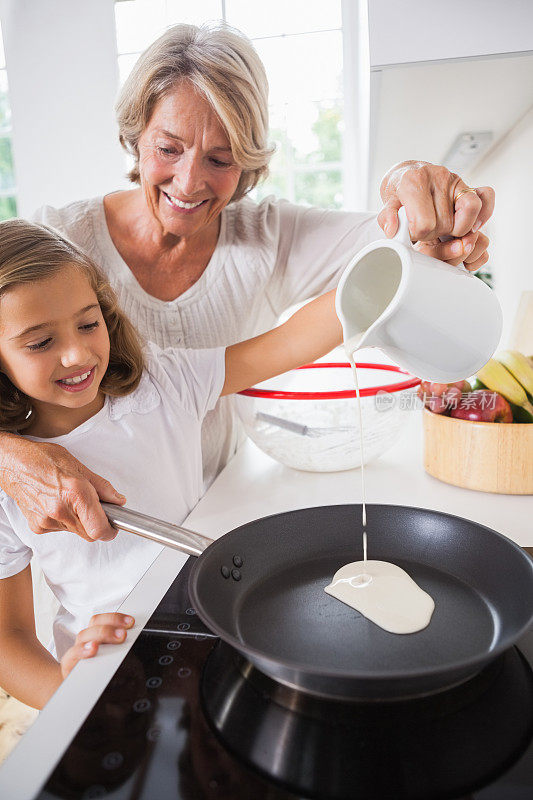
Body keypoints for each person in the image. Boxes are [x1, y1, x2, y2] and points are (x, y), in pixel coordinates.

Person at [0, 23, 494, 543]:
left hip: (212, 518)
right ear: (136, 134)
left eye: (220, 159)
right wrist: (7, 457)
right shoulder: (57, 248)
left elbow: (393, 239)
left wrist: (416, 199)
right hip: (72, 540)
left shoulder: (266, 239)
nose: (189, 183)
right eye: (168, 149)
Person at [0, 219, 345, 709]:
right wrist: (68, 697)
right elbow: (7, 638)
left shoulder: (164, 385)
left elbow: (289, 342)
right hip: (109, 671)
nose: (77, 353)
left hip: (214, 628)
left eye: (88, 323)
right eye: (39, 343)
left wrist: (389, 276)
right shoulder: (7, 480)